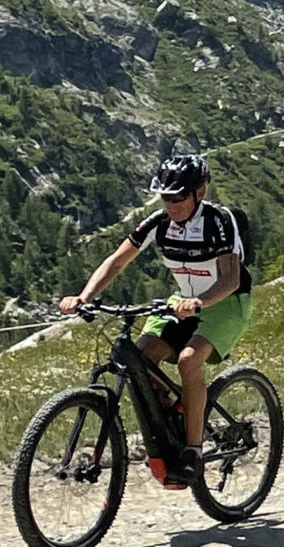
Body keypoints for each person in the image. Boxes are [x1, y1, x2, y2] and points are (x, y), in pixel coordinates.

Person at [60, 153, 251, 490]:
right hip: (182, 301)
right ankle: (173, 420)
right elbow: (117, 262)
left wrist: (200, 302)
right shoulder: (157, 222)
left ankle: (192, 450)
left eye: (178, 197)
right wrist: (83, 297)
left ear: (199, 192)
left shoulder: (219, 221)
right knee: (140, 357)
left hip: (225, 302)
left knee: (189, 361)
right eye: (165, 197)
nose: (171, 204)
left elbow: (231, 279)